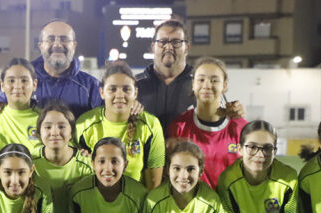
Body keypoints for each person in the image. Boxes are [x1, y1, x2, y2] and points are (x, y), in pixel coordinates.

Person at [135, 19, 244, 131]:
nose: (168, 47)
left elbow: (221, 121)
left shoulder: (202, 84)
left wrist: (234, 111)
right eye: (162, 41)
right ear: (153, 47)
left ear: (186, 48)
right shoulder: (134, 85)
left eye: (176, 42)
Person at [77, 61, 165, 190]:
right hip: (94, 205)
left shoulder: (150, 125)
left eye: (126, 89)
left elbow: (153, 184)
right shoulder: (84, 124)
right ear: (101, 93)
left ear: (135, 93)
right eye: (112, 89)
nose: (119, 95)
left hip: (135, 206)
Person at [166, 56, 247, 189]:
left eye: (214, 80)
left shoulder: (241, 128)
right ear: (193, 85)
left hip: (229, 207)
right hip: (192, 208)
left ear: (224, 85)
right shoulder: (179, 126)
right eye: (201, 79)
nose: (207, 85)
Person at [0, 58, 42, 168]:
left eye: (24, 80)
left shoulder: (45, 119)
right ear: (2, 85)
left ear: (34, 84)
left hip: (36, 183)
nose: (18, 86)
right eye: (11, 80)